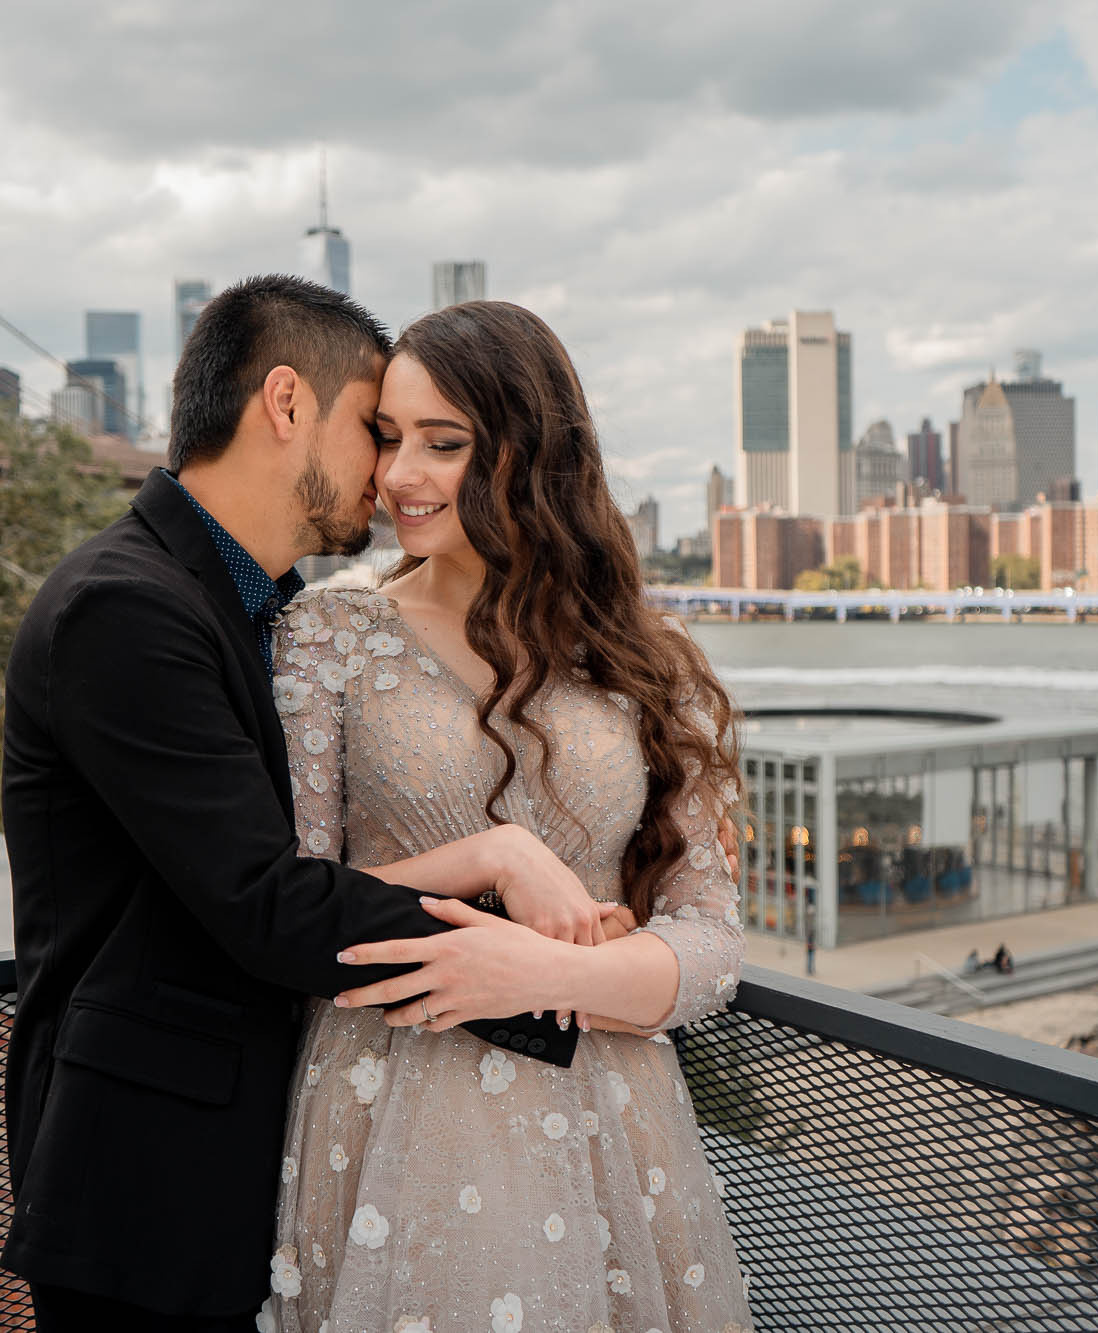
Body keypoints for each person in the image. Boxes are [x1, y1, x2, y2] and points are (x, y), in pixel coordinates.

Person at [0, 276, 599, 1331]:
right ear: (285, 405)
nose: (389, 470)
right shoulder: (124, 608)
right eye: (372, 427)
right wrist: (541, 957)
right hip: (145, 1186)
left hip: (231, 1162)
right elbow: (264, 902)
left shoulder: (235, 608)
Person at [262, 301, 754, 1329]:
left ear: (529, 454)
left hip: (613, 1119)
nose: (400, 476)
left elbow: (710, 942)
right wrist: (483, 857)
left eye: (444, 444)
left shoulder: (646, 663)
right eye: (387, 438)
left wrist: (552, 972)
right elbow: (289, 906)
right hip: (393, 1100)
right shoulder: (330, 633)